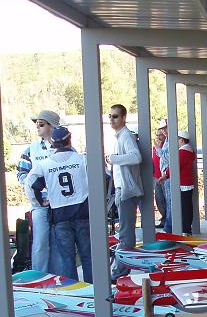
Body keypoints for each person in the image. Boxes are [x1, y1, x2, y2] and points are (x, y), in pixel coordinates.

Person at [24, 126, 92, 283]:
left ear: (53, 144)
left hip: (60, 216)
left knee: (67, 259)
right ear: (70, 140)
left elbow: (30, 184)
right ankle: (93, 290)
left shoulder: (45, 164)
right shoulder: (82, 160)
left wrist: (39, 203)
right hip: (83, 213)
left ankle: (73, 291)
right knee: (88, 256)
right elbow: (105, 178)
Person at [17, 109, 60, 272]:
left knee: (59, 244)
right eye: (37, 124)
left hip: (61, 204)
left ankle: (57, 279)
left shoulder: (65, 147)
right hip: (40, 204)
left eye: (41, 124)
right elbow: (21, 174)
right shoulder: (31, 149)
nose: (37, 127)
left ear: (52, 126)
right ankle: (39, 278)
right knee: (40, 242)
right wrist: (37, 187)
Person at [104, 104, 143, 279]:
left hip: (126, 190)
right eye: (110, 116)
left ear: (124, 118)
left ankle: (121, 271)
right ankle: (121, 269)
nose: (111, 120)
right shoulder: (120, 137)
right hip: (121, 189)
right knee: (124, 231)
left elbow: (136, 157)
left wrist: (113, 159)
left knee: (125, 233)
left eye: (115, 116)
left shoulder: (126, 136)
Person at [174, 131, 198, 236]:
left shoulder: (182, 152)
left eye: (178, 139)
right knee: (187, 206)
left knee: (185, 207)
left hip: (183, 183)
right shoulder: (189, 151)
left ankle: (185, 229)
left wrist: (166, 174)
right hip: (188, 182)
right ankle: (187, 229)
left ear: (182, 140)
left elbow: (176, 166)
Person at [151, 120, 168, 228]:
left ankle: (167, 221)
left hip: (164, 176)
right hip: (156, 176)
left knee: (166, 199)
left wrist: (158, 148)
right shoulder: (156, 147)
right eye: (157, 135)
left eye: (160, 135)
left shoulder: (165, 145)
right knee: (159, 199)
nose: (159, 137)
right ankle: (163, 219)